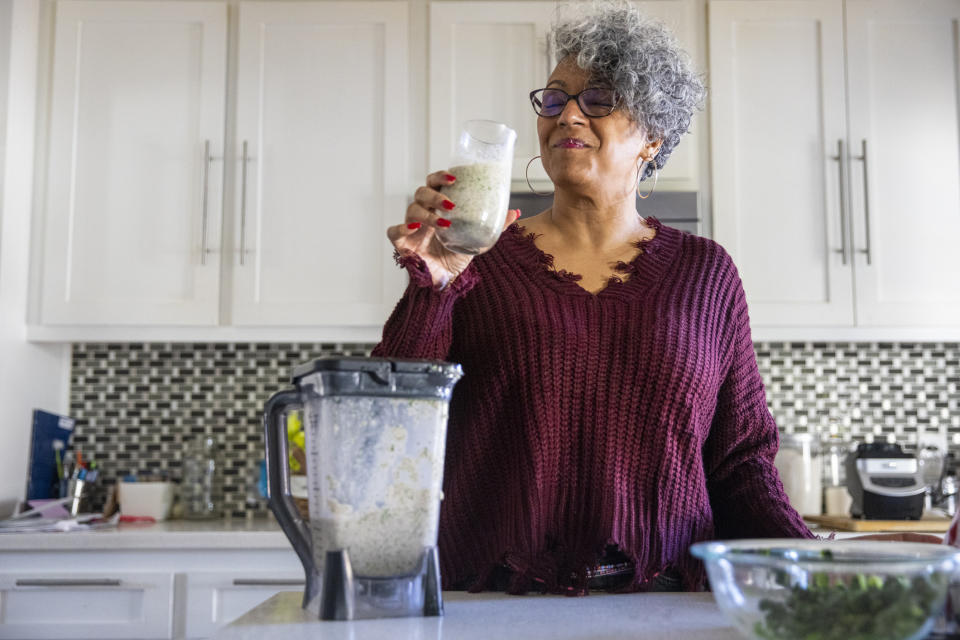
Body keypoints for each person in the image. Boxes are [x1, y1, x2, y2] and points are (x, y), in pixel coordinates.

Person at [372, 0, 921, 595]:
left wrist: (813, 568)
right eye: (554, 100)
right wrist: (436, 284)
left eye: (599, 99)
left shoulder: (707, 275)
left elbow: (739, 464)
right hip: (494, 602)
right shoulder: (480, 261)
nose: (569, 116)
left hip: (667, 602)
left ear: (653, 137)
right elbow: (392, 426)